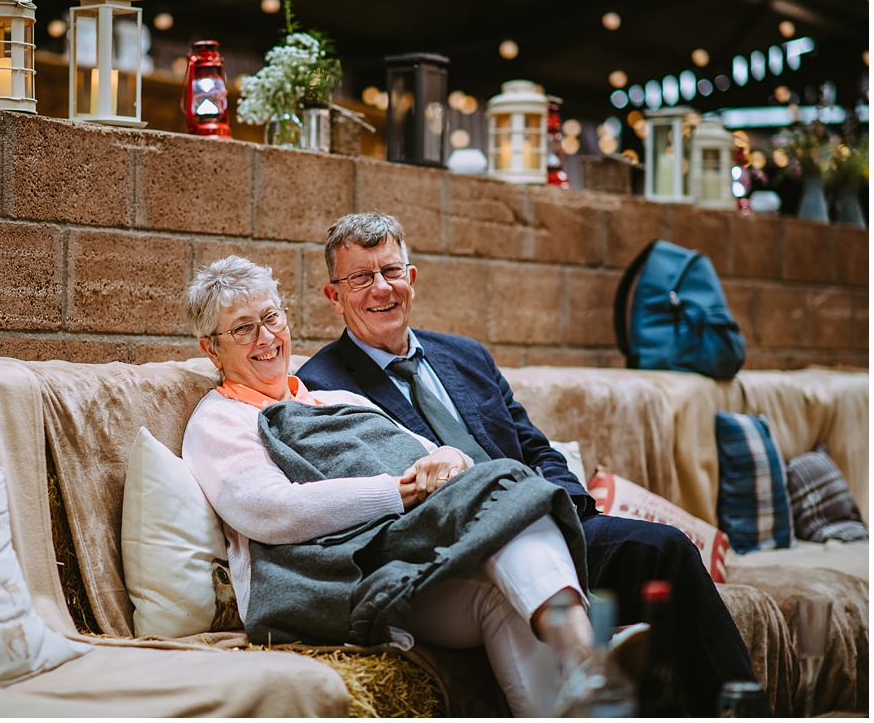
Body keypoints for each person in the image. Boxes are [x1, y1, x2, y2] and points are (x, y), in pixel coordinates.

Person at [297, 212, 764, 718]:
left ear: (411, 278)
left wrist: (569, 514)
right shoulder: (323, 385)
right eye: (360, 278)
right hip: (459, 548)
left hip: (547, 518)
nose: (380, 288)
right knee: (664, 549)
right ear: (334, 296)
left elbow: (536, 449)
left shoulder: (466, 356)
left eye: (390, 271)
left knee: (663, 555)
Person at [182, 256, 594, 716]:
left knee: (499, 596)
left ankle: (571, 698)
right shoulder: (220, 420)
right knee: (506, 481)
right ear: (211, 349)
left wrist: (448, 457)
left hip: (409, 557)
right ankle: (586, 653)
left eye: (271, 317)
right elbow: (269, 510)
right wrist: (398, 493)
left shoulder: (335, 399)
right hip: (336, 574)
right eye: (242, 328)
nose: (265, 337)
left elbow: (433, 453)